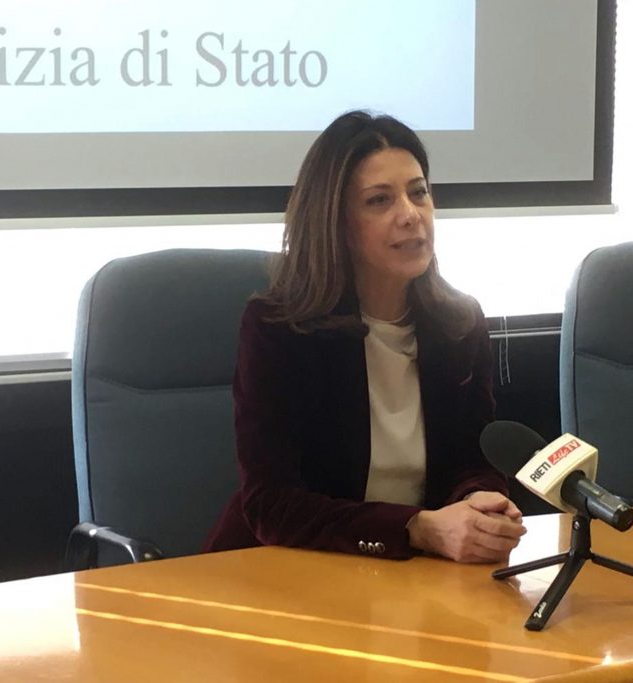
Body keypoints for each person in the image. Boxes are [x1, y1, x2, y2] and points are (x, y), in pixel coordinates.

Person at [204, 110, 525, 562]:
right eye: (379, 200)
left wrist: (480, 501)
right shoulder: (281, 329)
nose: (411, 215)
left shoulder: (459, 323)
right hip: (287, 568)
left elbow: (472, 461)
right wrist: (416, 528)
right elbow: (271, 504)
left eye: (419, 193)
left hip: (417, 574)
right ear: (335, 222)